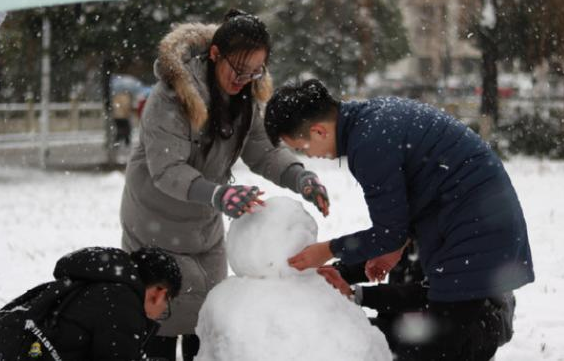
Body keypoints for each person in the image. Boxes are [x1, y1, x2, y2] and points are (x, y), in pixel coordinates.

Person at [264, 79, 534, 361]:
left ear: (318, 131)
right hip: (476, 222)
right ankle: (479, 323)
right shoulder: (370, 120)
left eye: (302, 148)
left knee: (435, 341)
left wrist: (326, 250)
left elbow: (388, 233)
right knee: (414, 327)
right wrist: (387, 249)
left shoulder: (368, 144)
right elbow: (397, 228)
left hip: (474, 230)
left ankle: (483, 328)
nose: (309, 155)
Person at [119, 9, 329, 360]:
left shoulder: (243, 100)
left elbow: (262, 149)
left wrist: (300, 176)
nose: (244, 78)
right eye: (238, 69)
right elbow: (167, 169)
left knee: (208, 322)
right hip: (154, 225)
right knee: (160, 326)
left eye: (255, 72)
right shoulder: (171, 97)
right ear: (215, 54)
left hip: (205, 225)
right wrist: (218, 194)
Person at [0, 246, 182, 361]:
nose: (161, 313)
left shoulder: (96, 285)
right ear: (160, 294)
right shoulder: (122, 303)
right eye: (166, 307)